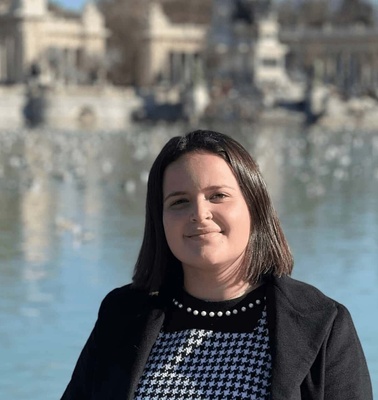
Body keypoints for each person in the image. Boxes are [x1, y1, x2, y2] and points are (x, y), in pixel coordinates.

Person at [61, 129, 373, 400]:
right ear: (160, 220)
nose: (199, 213)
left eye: (218, 195)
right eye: (179, 201)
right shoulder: (121, 316)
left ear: (255, 207)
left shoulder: (322, 323)